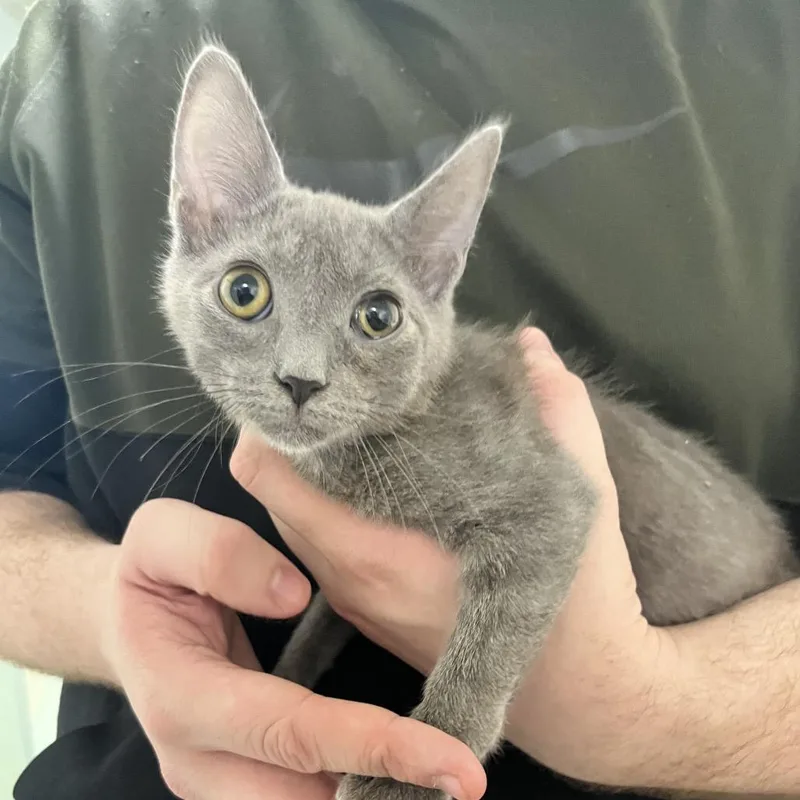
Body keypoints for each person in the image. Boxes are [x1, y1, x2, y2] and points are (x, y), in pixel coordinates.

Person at [0, 1, 798, 798]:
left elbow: (546, 521)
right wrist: (111, 616)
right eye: (247, 293)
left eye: (375, 318)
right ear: (196, 219)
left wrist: (629, 716)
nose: (302, 371)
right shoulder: (71, 49)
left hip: (715, 633)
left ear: (436, 274)